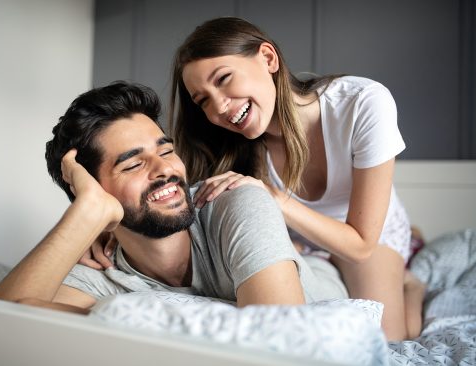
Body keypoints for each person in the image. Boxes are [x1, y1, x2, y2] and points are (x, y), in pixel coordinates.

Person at [168, 16, 425, 340]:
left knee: (392, 339)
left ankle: (411, 285)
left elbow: (360, 244)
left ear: (268, 58)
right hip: (300, 238)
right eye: (203, 100)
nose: (219, 107)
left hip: (365, 235)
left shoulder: (363, 103)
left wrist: (275, 198)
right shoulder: (231, 147)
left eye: (223, 79)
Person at [0, 81, 348, 313]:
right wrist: (86, 216)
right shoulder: (96, 267)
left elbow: (278, 340)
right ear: (93, 192)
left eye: (165, 151)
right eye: (132, 165)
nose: (163, 170)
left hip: (328, 269)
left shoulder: (236, 202)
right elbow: (4, 328)